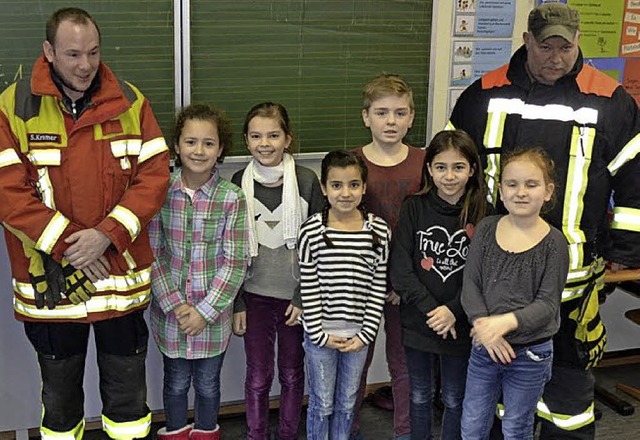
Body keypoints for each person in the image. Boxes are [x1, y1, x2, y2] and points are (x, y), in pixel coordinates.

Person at [447, 3, 640, 438]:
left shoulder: (610, 99)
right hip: (499, 284)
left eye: (565, 47)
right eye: (545, 46)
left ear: (577, 44)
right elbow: (452, 173)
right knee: (498, 398)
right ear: (526, 41)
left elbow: (635, 182)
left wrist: (624, 251)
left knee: (568, 400)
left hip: (572, 282)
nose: (555, 57)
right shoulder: (482, 95)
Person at [0, 7, 170, 439]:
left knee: (129, 405)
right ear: (48, 51)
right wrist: (73, 245)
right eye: (73, 54)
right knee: (59, 406)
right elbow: (8, 192)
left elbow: (153, 178)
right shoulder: (13, 106)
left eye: (93, 52)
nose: (85, 65)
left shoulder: (131, 102)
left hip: (119, 285)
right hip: (51, 287)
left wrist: (106, 237)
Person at [150, 104, 248, 440]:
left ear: (221, 149)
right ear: (176, 145)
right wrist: (177, 307)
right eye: (190, 142)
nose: (199, 150)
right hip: (171, 318)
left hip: (212, 320)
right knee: (175, 383)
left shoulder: (231, 198)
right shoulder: (159, 191)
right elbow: (152, 253)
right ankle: (176, 431)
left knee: (208, 385)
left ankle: (206, 432)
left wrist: (203, 313)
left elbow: (235, 262)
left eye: (209, 143)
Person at [460, 148, 569, 439]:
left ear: (548, 192)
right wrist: (484, 326)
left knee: (516, 426)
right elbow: (470, 285)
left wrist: (503, 323)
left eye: (531, 185)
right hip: (485, 347)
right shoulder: (485, 229)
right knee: (472, 423)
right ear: (500, 189)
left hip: (530, 353)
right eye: (512, 184)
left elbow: (547, 305)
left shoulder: (554, 243)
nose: (521, 192)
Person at [231, 102, 324, 440]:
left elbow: (318, 245)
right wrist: (237, 301)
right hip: (254, 298)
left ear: (288, 139)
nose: (265, 143)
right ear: (246, 140)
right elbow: (233, 247)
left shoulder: (306, 180)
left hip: (295, 300)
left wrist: (304, 296)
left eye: (273, 135)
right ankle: (256, 434)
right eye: (256, 136)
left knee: (291, 374)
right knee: (257, 376)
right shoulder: (238, 182)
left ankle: (287, 434)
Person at [390, 130, 488, 440]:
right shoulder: (414, 207)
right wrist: (434, 310)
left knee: (454, 398)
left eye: (458, 167)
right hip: (420, 320)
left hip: (461, 324)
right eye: (441, 167)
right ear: (429, 169)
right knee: (419, 394)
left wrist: (453, 311)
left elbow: (486, 275)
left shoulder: (486, 214)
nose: (449, 176)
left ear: (472, 169)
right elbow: (401, 270)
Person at [351, 72, 425, 440]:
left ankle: (405, 432)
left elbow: (426, 229)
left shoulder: (425, 163)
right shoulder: (350, 164)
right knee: (354, 361)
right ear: (366, 117)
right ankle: (346, 429)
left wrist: (401, 282)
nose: (391, 121)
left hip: (407, 285)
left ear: (412, 116)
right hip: (359, 284)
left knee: (403, 362)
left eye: (399, 113)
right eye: (381, 113)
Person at [298, 150, 390, 440]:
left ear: (364, 187)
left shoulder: (378, 232)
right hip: (320, 337)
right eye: (336, 185)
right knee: (322, 403)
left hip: (358, 338)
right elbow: (308, 287)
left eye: (353, 185)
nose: (345, 193)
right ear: (324, 188)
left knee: (348, 402)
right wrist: (319, 334)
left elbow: (378, 287)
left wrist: (366, 334)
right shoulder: (312, 231)